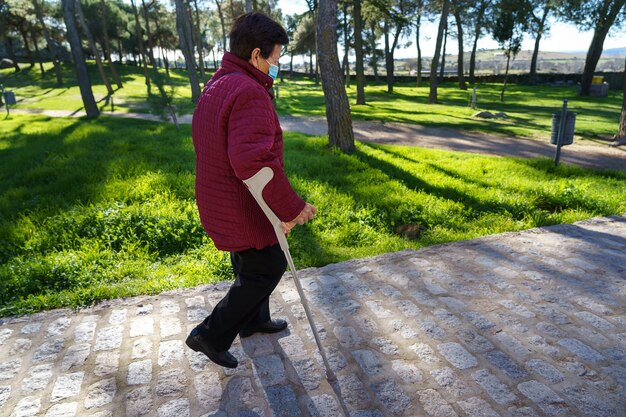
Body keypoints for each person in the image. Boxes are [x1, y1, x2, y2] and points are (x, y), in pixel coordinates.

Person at [186, 12, 317, 369]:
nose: (277, 65)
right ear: (257, 55)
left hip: (223, 196)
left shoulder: (220, 83)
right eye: (275, 58)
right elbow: (254, 162)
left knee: (250, 260)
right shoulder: (248, 92)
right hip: (243, 201)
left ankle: (254, 320)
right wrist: (292, 207)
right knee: (266, 266)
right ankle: (210, 335)